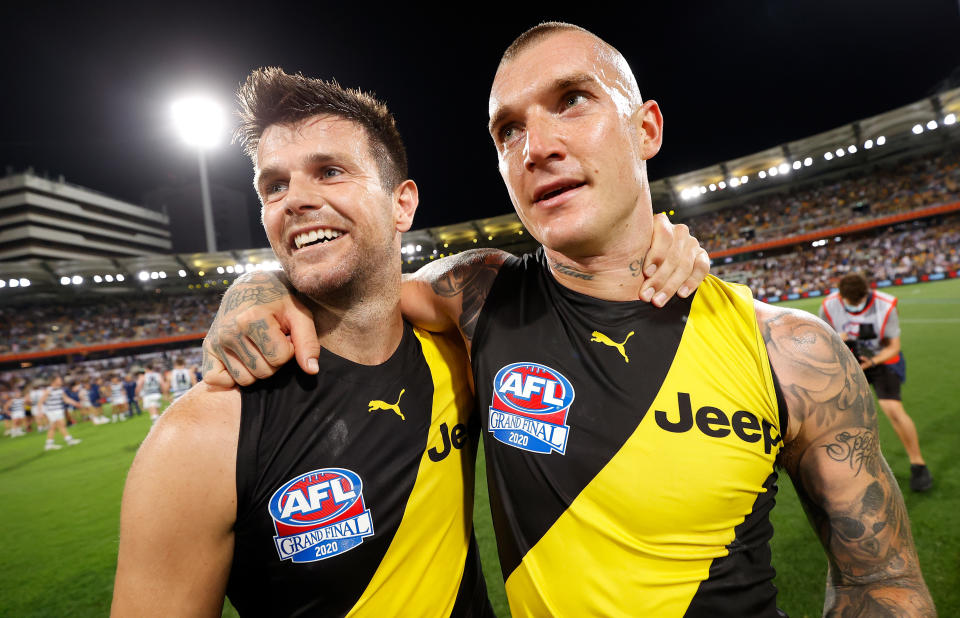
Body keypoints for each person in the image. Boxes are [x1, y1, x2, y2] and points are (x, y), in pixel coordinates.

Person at [204, 23, 935, 616]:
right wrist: (257, 282)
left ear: (646, 128)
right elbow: (351, 277)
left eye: (573, 100)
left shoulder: (793, 350)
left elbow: (881, 583)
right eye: (508, 130)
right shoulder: (479, 297)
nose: (538, 145)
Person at [820, 273, 933, 491]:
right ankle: (855, 468)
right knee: (845, 414)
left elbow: (893, 346)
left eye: (858, 302)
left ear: (867, 293)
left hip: (881, 359)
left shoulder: (885, 305)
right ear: (841, 295)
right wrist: (836, 339)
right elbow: (823, 339)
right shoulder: (829, 306)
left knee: (892, 409)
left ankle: (918, 464)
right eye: (849, 302)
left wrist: (871, 361)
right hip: (849, 360)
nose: (854, 306)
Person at [37, 376, 82, 451]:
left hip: (58, 410)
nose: (61, 381)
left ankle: (49, 444)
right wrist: (40, 412)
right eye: (59, 380)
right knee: (61, 425)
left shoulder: (60, 390)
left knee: (54, 427)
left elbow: (66, 399)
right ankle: (69, 440)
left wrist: (75, 403)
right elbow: (40, 402)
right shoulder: (49, 390)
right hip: (52, 411)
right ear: (54, 381)